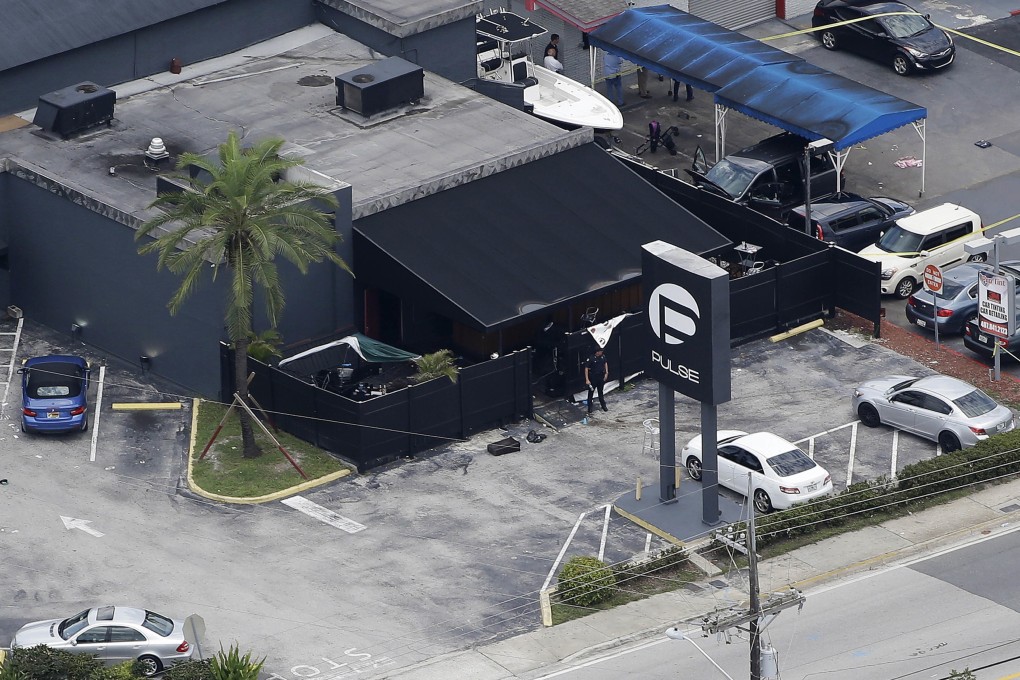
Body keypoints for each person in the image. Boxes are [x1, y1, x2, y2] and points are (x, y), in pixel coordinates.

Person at [584, 347, 609, 414]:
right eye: (600, 351)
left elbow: (605, 363)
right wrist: (587, 379)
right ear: (597, 352)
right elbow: (586, 368)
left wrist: (606, 373)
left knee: (600, 392)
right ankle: (590, 408)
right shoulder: (591, 358)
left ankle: (603, 406)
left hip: (601, 376)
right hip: (593, 377)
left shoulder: (603, 357)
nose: (601, 352)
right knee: (591, 393)